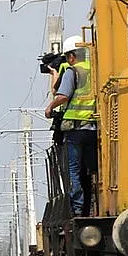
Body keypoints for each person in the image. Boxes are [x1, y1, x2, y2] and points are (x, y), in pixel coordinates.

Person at [44, 36, 97, 217]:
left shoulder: (72, 72)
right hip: (94, 128)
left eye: (67, 57)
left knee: (73, 170)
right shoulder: (96, 70)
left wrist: (50, 107)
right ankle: (94, 204)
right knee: (93, 169)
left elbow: (63, 96)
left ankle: (77, 209)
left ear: (73, 56)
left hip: (75, 130)